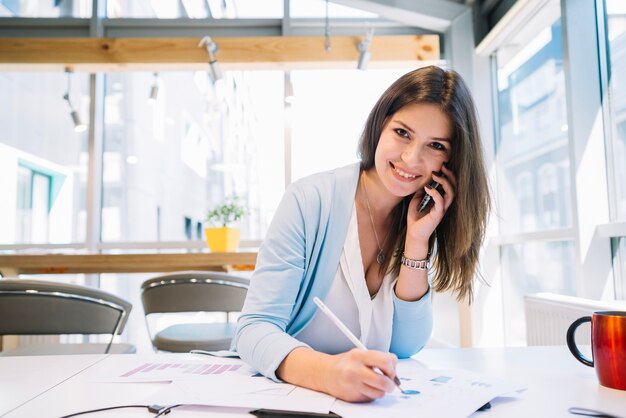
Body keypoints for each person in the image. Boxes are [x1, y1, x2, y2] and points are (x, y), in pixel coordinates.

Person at [232, 65, 491, 402]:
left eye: (436, 146)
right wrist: (330, 373)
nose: (411, 158)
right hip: (289, 398)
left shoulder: (422, 214)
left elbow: (406, 345)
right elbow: (253, 330)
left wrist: (416, 243)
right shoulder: (310, 200)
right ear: (380, 125)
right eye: (402, 133)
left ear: (453, 159)